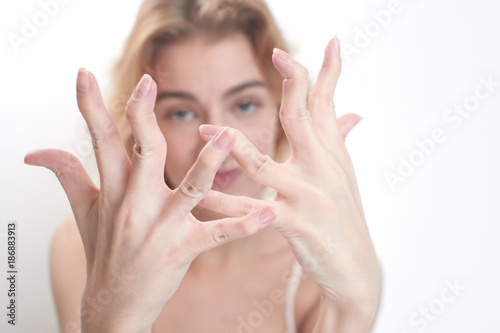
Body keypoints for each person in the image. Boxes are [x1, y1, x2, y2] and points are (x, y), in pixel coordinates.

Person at [24, 0, 381, 331]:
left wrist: (354, 311)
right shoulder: (84, 248)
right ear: (142, 126)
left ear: (281, 106)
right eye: (181, 112)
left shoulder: (320, 271)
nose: (222, 142)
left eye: (244, 105)